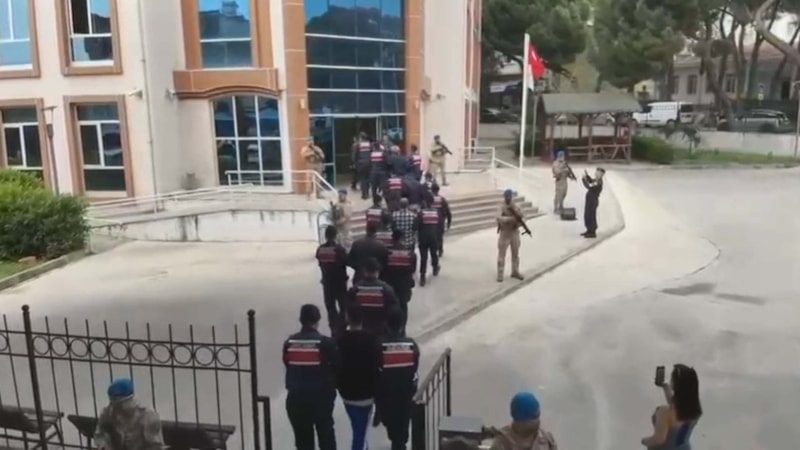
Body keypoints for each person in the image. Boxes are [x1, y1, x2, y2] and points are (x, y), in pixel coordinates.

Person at [282, 304, 339, 450]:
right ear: (318, 320)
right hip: (321, 400)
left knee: (303, 442)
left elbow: (288, 365)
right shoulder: (326, 343)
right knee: (327, 440)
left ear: (301, 320)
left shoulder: (289, 343)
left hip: (296, 400)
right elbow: (337, 368)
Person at [336, 305, 382, 450]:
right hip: (367, 393)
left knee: (359, 427)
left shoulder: (340, 341)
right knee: (360, 431)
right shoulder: (373, 340)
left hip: (347, 394)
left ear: (347, 318)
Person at [375, 308, 420, 450]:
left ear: (386, 324)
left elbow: (375, 369)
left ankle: (398, 443)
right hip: (405, 394)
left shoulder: (379, 345)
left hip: (386, 395)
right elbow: (414, 368)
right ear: (402, 325)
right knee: (402, 426)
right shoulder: (411, 345)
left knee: (393, 429)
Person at [641, 364, 702, 450]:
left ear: (676, 384)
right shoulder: (694, 411)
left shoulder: (664, 412)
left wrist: (644, 441)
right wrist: (665, 386)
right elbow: (676, 404)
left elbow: (659, 439)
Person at [94, 379, 163, 450]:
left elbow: (156, 446)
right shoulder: (108, 412)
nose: (115, 408)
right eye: (112, 403)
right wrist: (104, 445)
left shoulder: (147, 415)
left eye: (119, 404)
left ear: (130, 400)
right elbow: (100, 434)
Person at [488, 392, 557, 450]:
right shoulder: (502, 442)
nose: (537, 422)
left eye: (536, 417)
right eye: (532, 418)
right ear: (518, 421)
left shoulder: (547, 440)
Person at [349, 257, 398, 335]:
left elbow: (350, 310)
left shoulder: (355, 289)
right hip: (381, 329)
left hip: (362, 330)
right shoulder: (386, 289)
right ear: (377, 272)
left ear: (364, 272)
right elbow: (394, 311)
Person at [380, 229, 416, 334]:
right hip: (404, 285)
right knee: (403, 306)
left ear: (392, 238)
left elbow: (383, 269)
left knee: (389, 306)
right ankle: (402, 329)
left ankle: (390, 329)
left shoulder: (387, 253)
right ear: (402, 238)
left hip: (390, 285)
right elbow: (412, 269)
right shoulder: (410, 253)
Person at [316, 225, 349, 337]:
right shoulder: (339, 250)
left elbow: (320, 262)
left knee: (330, 307)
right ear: (336, 235)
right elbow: (346, 262)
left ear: (325, 236)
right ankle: (342, 327)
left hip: (327, 283)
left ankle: (333, 328)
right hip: (340, 283)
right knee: (343, 306)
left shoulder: (320, 249)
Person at [496, 189, 525, 282]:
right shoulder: (501, 206)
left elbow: (523, 218)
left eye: (509, 196)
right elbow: (498, 218)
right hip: (505, 232)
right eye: (507, 196)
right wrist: (510, 219)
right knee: (502, 254)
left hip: (514, 232)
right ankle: (500, 274)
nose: (508, 198)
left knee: (515, 253)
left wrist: (518, 222)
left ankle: (515, 271)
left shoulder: (516, 206)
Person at [417, 198, 441, 287]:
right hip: (433, 237)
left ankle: (422, 276)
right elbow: (439, 224)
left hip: (423, 238)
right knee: (434, 253)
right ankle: (435, 267)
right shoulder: (436, 213)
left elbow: (416, 225)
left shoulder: (421, 213)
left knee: (423, 257)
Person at [581, 168, 605, 239]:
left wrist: (584, 179)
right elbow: (591, 181)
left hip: (592, 201)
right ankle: (589, 230)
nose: (595, 174)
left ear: (601, 175)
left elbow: (589, 186)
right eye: (596, 172)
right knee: (587, 215)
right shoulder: (597, 180)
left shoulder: (599, 182)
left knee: (590, 215)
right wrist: (587, 176)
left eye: (597, 173)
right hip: (590, 200)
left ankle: (592, 232)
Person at [430, 184, 452, 257]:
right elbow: (448, 212)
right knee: (439, 236)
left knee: (433, 236)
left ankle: (434, 249)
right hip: (440, 220)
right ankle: (440, 249)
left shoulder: (429, 199)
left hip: (431, 221)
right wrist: (448, 222)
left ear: (431, 190)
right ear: (438, 190)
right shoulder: (442, 199)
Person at [354, 133, 373, 199]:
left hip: (361, 164)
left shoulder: (358, 145)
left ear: (361, 138)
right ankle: (367, 192)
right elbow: (372, 153)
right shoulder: (370, 145)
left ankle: (364, 194)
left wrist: (356, 164)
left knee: (363, 180)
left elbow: (355, 155)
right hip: (369, 164)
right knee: (368, 179)